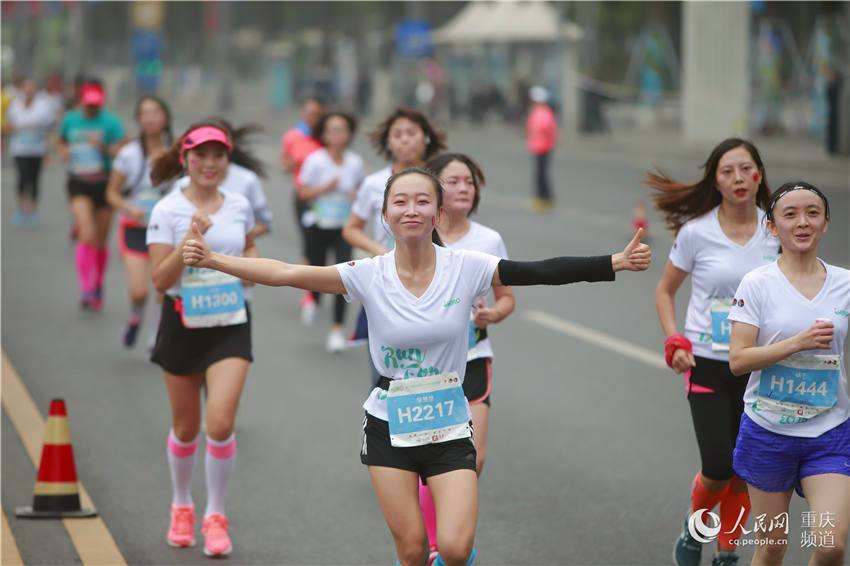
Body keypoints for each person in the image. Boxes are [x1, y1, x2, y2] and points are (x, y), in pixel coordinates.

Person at [182, 166, 651, 566]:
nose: (412, 210)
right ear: (385, 215)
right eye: (400, 202)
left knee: (454, 545)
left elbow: (541, 270)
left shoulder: (465, 266)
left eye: (423, 201)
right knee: (410, 551)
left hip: (448, 419)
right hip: (390, 423)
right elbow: (286, 274)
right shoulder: (367, 274)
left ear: (437, 213)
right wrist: (215, 259)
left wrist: (613, 261)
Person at [651, 138, 777, 566]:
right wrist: (675, 341)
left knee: (744, 471)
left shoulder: (776, 230)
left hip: (759, 366)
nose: (739, 178)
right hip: (706, 361)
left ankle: (726, 552)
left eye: (747, 169)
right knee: (719, 466)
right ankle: (694, 529)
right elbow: (666, 291)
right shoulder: (696, 233)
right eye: (728, 171)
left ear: (759, 175)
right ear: (716, 181)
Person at [147, 121, 258, 557]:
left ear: (227, 160)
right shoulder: (167, 210)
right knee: (186, 427)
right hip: (182, 322)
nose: (210, 164)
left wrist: (250, 263)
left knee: (221, 422)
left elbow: (248, 250)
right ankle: (181, 505)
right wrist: (189, 242)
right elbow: (159, 279)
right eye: (201, 156)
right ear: (185, 159)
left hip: (230, 321)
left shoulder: (240, 203)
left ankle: (215, 515)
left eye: (218, 156)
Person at [729, 182, 849, 566]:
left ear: (826, 223)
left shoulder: (846, 285)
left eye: (813, 213)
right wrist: (796, 343)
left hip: (830, 430)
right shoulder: (758, 284)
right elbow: (738, 359)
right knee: (772, 546)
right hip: (768, 431)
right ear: (772, 227)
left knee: (830, 546)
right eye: (791, 214)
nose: (802, 222)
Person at [422, 152, 515, 561]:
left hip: (474, 358)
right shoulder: (416, 233)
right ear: (435, 188)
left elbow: (508, 297)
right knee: (425, 456)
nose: (463, 189)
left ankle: (451, 546)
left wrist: (492, 313)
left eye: (470, 182)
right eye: (454, 181)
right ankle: (432, 546)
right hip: (424, 368)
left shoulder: (488, 240)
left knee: (471, 459)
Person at [342, 107, 446, 375]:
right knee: (386, 373)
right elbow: (351, 229)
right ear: (388, 142)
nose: (404, 140)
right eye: (397, 134)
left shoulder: (443, 181)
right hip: (389, 284)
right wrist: (379, 251)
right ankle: (383, 415)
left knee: (436, 369)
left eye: (411, 133)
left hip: (437, 283)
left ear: (425, 138)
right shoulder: (374, 183)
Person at [105, 96, 174, 348]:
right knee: (139, 291)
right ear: (138, 119)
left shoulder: (178, 153)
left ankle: (155, 335)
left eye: (156, 112)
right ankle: (136, 316)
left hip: (167, 233)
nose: (151, 118)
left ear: (165, 117)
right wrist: (127, 207)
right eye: (145, 113)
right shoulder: (129, 154)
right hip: (135, 230)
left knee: (161, 288)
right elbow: (111, 192)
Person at [297, 111, 364, 351]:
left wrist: (355, 195)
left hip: (343, 228)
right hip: (318, 225)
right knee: (318, 269)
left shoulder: (355, 162)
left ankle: (337, 329)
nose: (337, 135)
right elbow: (302, 193)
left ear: (349, 135)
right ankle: (312, 299)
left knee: (343, 277)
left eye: (342, 130)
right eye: (332, 130)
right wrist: (326, 187)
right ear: (324, 135)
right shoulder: (315, 160)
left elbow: (360, 192)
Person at [58, 81, 125, 310]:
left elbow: (123, 148)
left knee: (100, 241)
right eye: (88, 105)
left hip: (105, 183)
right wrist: (64, 151)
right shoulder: (70, 119)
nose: (92, 109)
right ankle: (86, 289)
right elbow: (61, 141)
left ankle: (98, 284)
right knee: (86, 233)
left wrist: (105, 149)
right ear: (82, 101)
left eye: (96, 105)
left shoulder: (111, 122)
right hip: (78, 183)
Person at [281, 96, 324, 321]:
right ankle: (310, 294)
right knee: (309, 245)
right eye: (308, 113)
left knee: (325, 248)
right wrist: (295, 164)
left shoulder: (327, 137)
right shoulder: (292, 136)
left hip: (329, 200)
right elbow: (284, 163)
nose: (312, 117)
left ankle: (324, 286)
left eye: (316, 114)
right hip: (304, 197)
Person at [6, 77, 56, 227]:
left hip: (37, 150)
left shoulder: (43, 105)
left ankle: (33, 210)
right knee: (22, 178)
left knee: (34, 179)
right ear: (22, 89)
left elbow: (49, 125)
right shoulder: (14, 105)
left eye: (31, 87)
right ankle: (21, 209)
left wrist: (48, 149)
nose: (28, 90)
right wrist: (19, 128)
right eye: (26, 87)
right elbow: (8, 126)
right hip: (20, 149)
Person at [525, 86, 557, 213]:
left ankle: (543, 198)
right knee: (541, 174)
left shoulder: (542, 112)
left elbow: (544, 129)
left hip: (543, 147)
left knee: (540, 175)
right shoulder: (539, 111)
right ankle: (545, 197)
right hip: (539, 147)